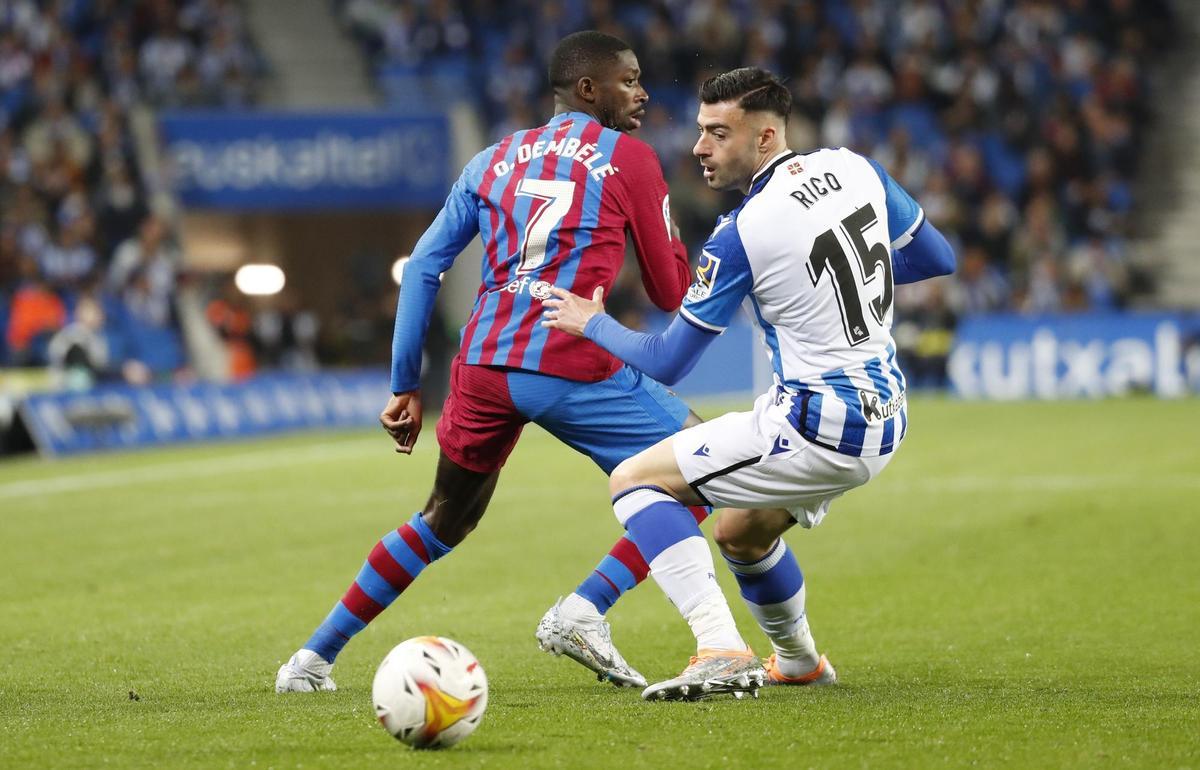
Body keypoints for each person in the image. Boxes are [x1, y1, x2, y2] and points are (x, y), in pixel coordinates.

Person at [275, 30, 705, 693]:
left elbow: (424, 265)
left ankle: (309, 662)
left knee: (443, 519)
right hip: (570, 360)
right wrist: (685, 245)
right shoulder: (630, 160)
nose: (643, 91)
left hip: (481, 366)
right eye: (630, 79)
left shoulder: (491, 159)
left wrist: (405, 383)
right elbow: (670, 293)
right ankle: (587, 608)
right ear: (588, 88)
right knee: (704, 468)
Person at [541, 67, 955, 700]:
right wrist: (828, 268)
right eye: (701, 131)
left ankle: (720, 649)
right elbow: (936, 257)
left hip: (818, 420)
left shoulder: (744, 231)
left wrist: (592, 323)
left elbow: (669, 359)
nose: (700, 148)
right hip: (887, 413)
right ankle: (798, 662)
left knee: (634, 480)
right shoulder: (856, 170)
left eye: (718, 133)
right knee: (740, 531)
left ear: (764, 138)